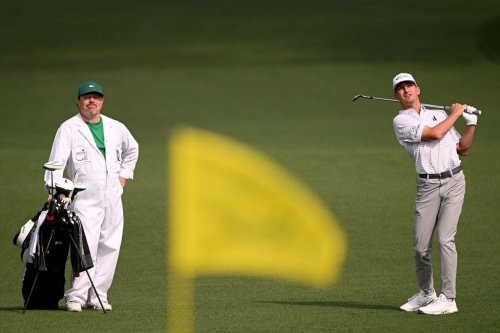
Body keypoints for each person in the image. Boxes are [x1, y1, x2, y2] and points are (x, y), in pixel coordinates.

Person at [44, 81, 139, 312]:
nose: (91, 101)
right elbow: (56, 163)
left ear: (102, 101)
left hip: (112, 195)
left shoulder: (116, 127)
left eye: (96, 97)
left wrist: (123, 177)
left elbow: (132, 149)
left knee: (110, 244)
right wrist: (54, 190)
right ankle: (75, 296)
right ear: (78, 101)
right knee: (83, 245)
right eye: (87, 97)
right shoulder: (68, 129)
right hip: (84, 195)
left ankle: (99, 295)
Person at [392, 73, 477, 315]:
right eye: (400, 88)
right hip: (427, 186)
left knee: (445, 239)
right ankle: (427, 294)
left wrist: (471, 124)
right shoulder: (401, 122)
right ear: (395, 96)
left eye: (409, 85)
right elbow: (435, 134)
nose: (406, 90)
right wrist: (456, 114)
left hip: (454, 181)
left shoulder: (439, 115)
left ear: (418, 89)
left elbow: (463, 149)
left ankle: (448, 299)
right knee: (421, 246)